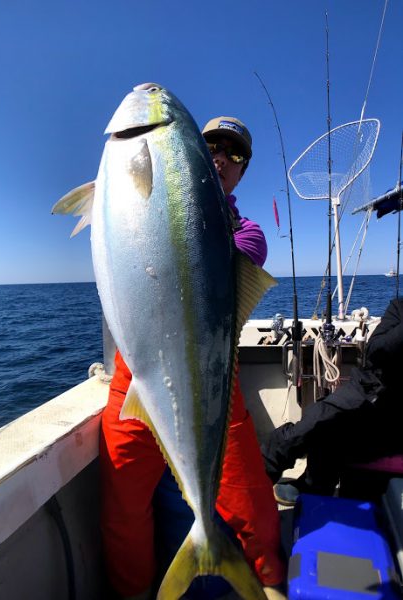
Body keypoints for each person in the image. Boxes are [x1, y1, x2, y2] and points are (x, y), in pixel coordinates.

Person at [99, 116, 286, 600]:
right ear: (192, 156)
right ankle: (135, 593)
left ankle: (270, 585)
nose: (222, 156)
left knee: (252, 503)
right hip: (134, 377)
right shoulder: (143, 202)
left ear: (243, 172)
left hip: (210, 382)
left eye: (236, 153)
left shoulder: (247, 234)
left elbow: (206, 266)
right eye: (211, 147)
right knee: (122, 509)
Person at [261, 296, 403, 506]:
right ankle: (257, 482)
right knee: (315, 421)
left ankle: (312, 490)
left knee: (333, 432)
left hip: (394, 412)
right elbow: (375, 351)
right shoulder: (399, 306)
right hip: (367, 386)